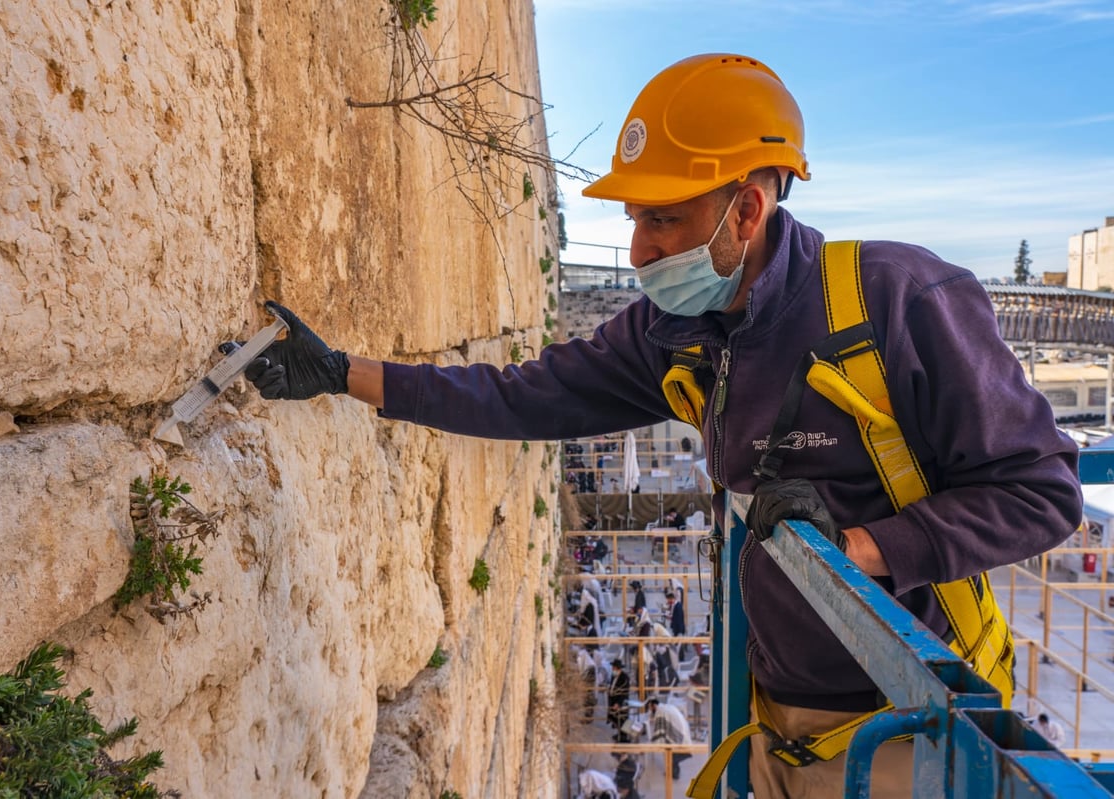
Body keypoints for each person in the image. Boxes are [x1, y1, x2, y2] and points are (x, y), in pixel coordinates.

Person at [237, 53, 1082, 798]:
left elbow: (1043, 494)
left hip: (911, 728)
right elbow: (520, 395)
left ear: (746, 211)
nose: (637, 250)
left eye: (662, 218)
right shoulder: (674, 336)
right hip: (777, 717)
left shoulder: (897, 303)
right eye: (634, 218)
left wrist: (860, 547)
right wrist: (345, 374)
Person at [644, 697, 693, 780]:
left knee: (671, 751)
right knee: (673, 752)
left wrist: (653, 743)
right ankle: (673, 772)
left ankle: (673, 773)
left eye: (650, 708)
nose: (650, 710)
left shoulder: (660, 712)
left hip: (677, 732)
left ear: (654, 705)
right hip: (682, 730)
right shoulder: (666, 707)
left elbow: (659, 730)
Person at [607, 658, 631, 742]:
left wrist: (618, 703)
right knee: (617, 720)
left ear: (617, 668)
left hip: (621, 703)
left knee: (623, 720)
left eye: (613, 667)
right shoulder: (613, 676)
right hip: (614, 702)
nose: (612, 669)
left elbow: (624, 692)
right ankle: (620, 735)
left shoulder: (625, 678)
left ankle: (624, 738)